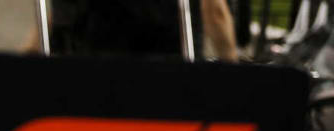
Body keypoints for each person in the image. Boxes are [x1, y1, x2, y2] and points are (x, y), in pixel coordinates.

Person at [21, 0, 239, 61]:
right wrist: (232, 65)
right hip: (167, 77)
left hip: (84, 70)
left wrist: (30, 50)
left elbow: (61, 12)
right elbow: (215, 12)